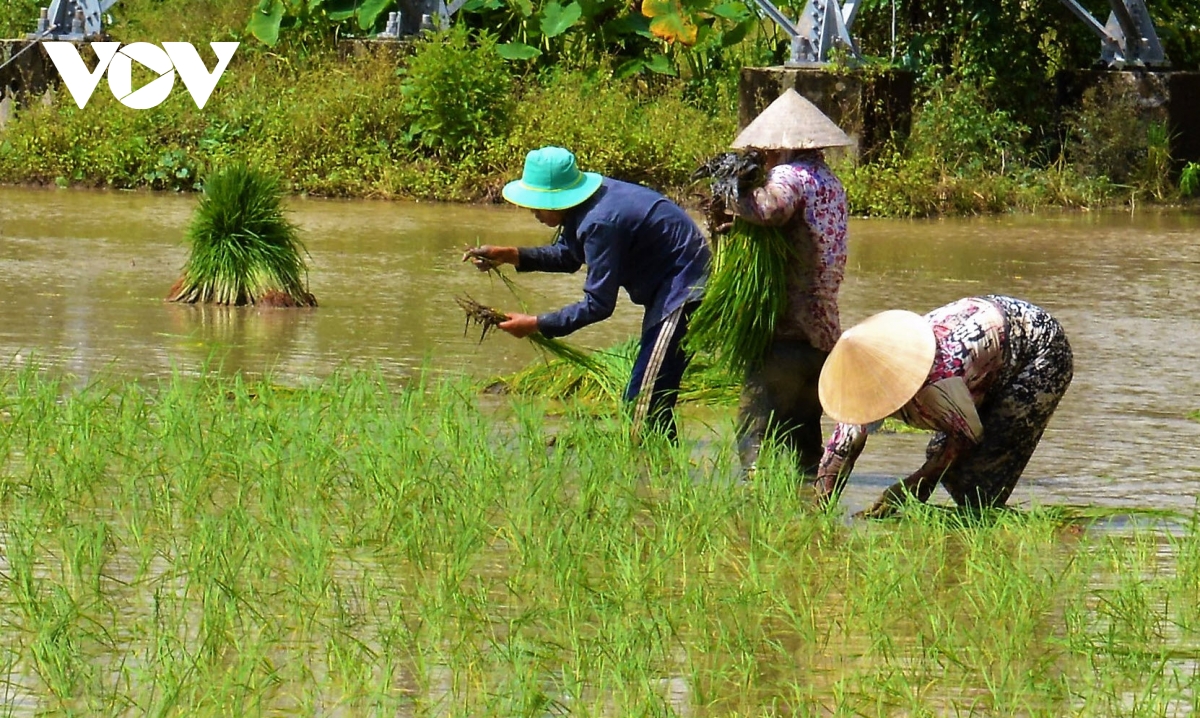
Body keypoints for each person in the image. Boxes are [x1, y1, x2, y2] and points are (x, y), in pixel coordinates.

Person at [464, 146, 710, 440]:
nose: (533, 212)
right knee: (648, 397)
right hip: (668, 285)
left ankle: (652, 475)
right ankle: (660, 472)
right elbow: (569, 256)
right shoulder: (588, 203)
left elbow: (599, 305)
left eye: (537, 205)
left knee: (643, 401)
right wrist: (510, 255)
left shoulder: (601, 221)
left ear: (556, 199)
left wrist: (537, 324)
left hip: (683, 289)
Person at [815, 295, 1074, 516]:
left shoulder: (938, 381)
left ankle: (982, 530)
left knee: (979, 481)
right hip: (988, 347)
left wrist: (910, 487)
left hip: (1039, 351)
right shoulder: (862, 380)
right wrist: (821, 511)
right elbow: (840, 449)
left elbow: (966, 438)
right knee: (943, 460)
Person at [724, 88, 852, 476]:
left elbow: (770, 209)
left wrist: (728, 198)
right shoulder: (829, 181)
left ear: (779, 146)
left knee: (757, 425)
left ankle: (750, 503)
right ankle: (809, 506)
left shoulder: (788, 174)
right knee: (803, 435)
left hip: (784, 327)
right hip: (821, 330)